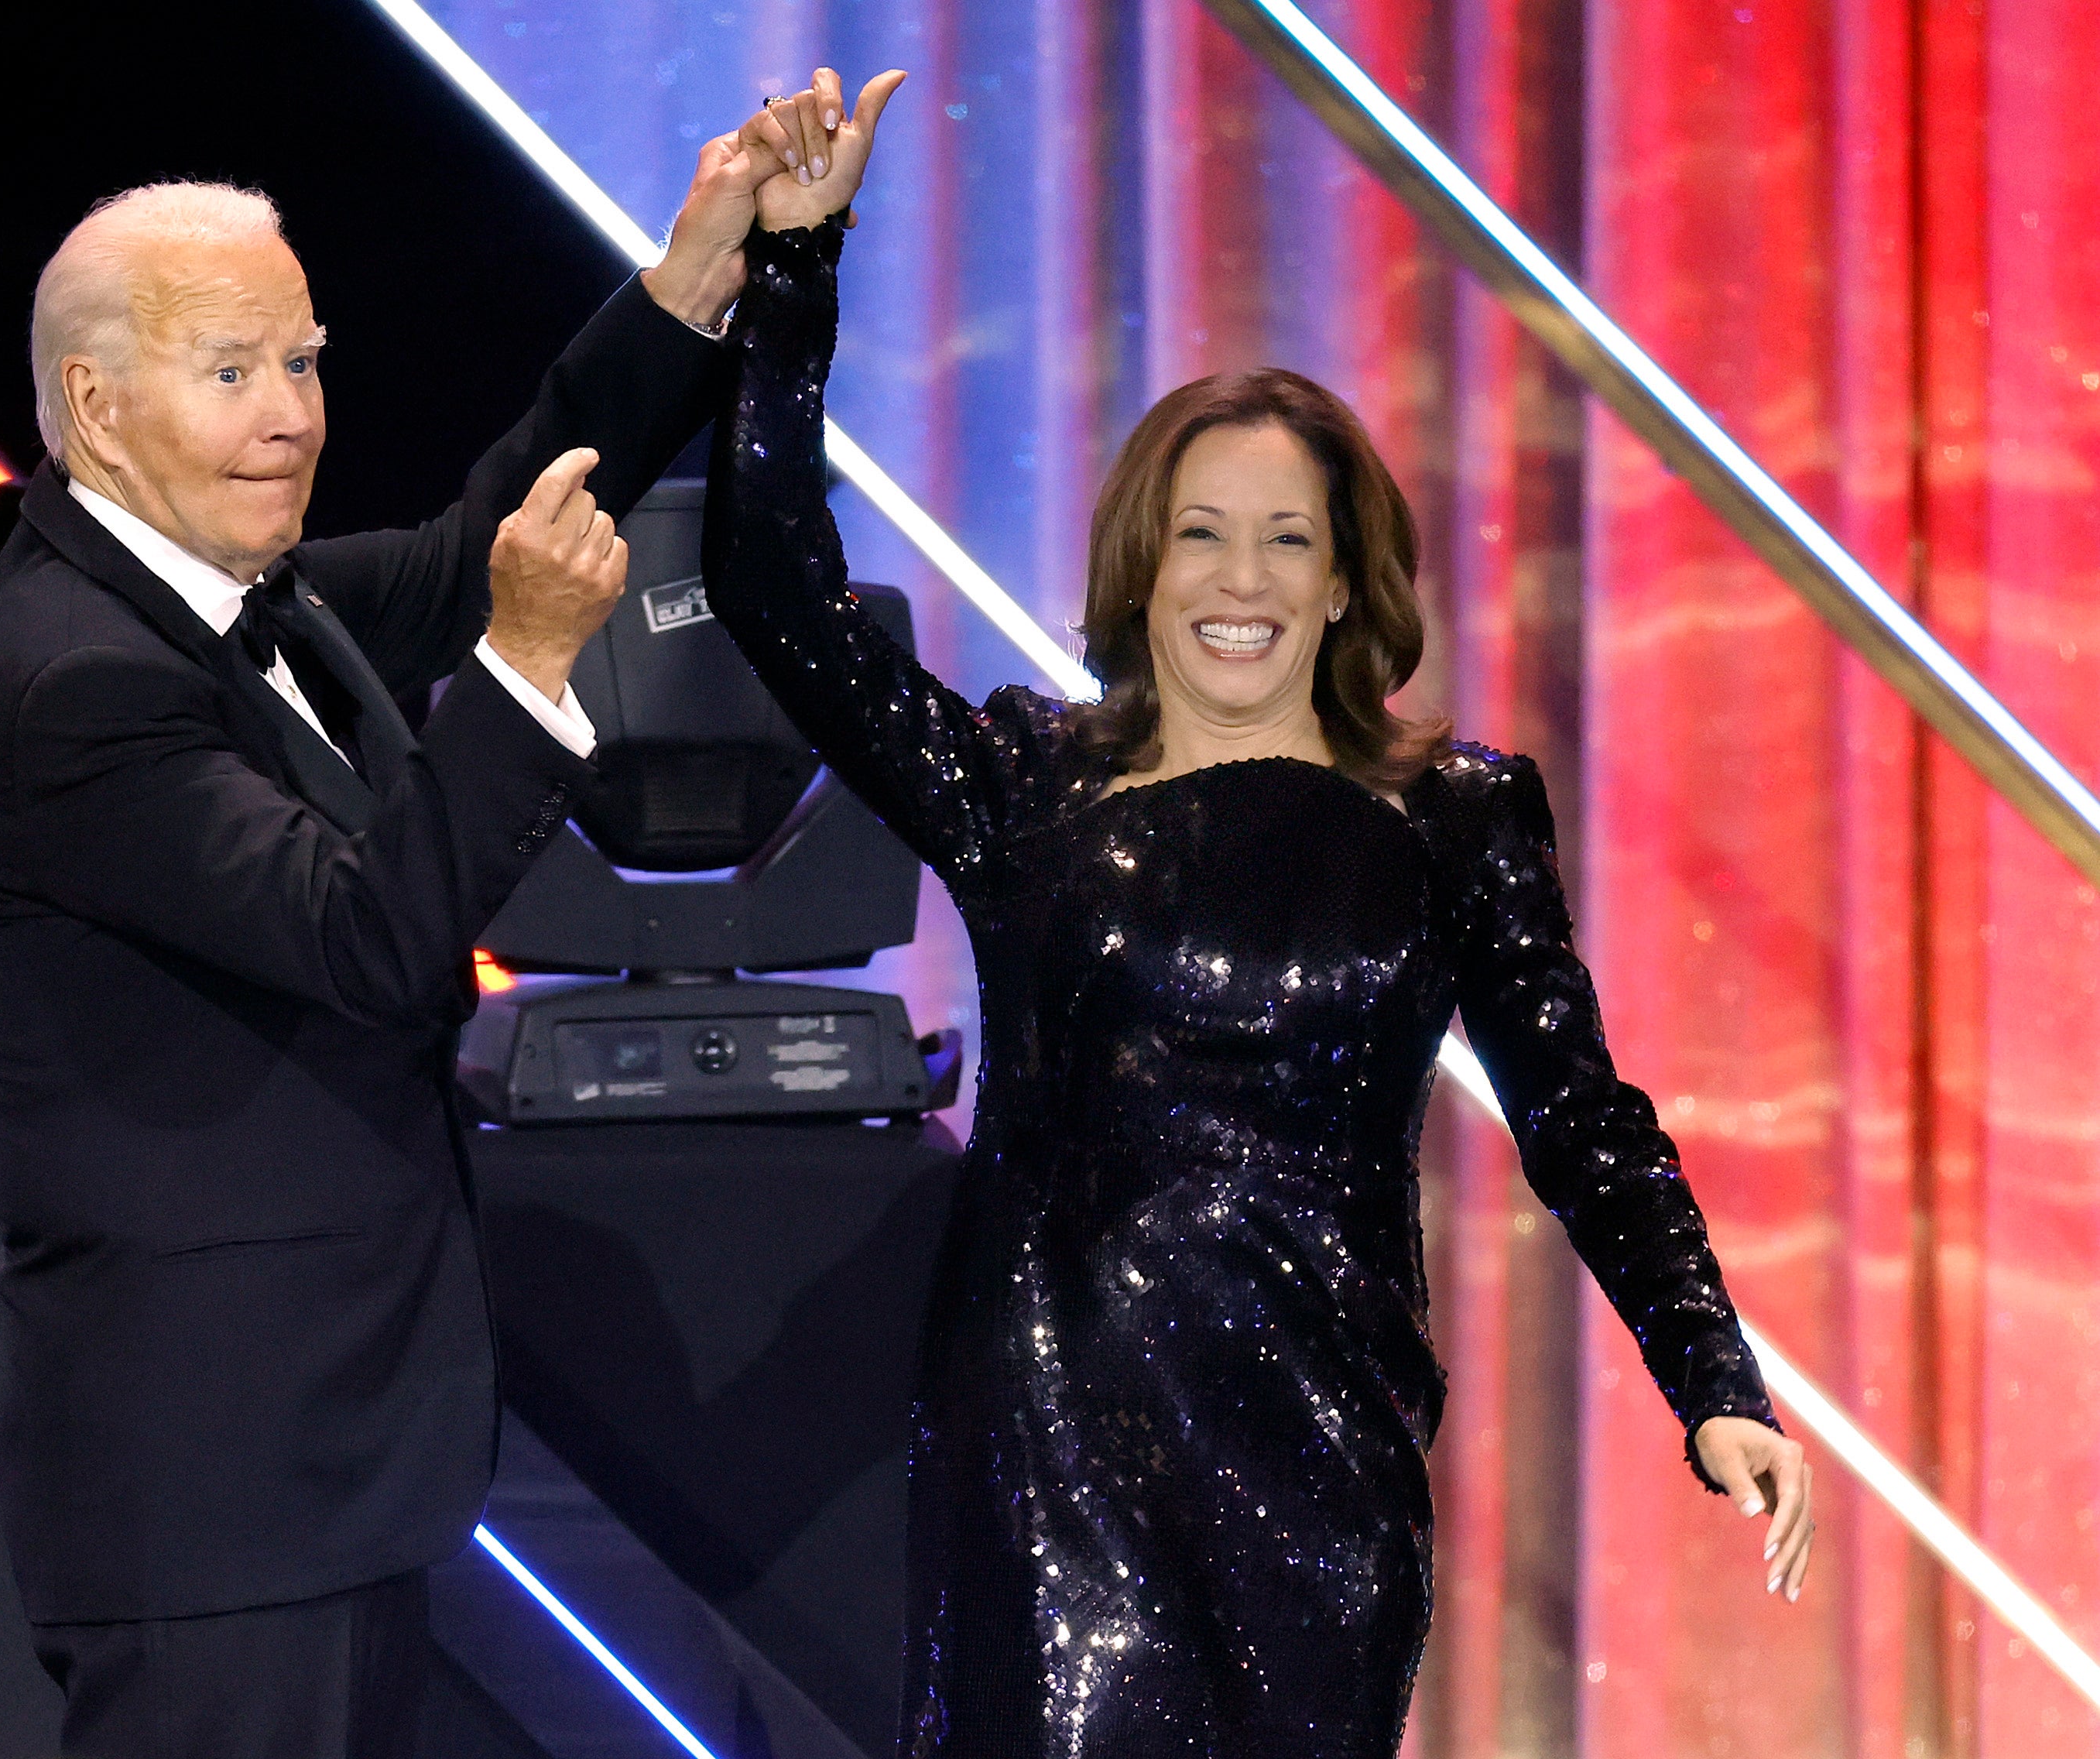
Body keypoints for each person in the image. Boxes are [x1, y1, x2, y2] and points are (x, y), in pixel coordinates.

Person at [700, 71, 1814, 1757]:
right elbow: (770, 587)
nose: (1238, 581)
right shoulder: (1021, 785)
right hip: (1051, 1451)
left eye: (1283, 539)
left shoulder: (1454, 817)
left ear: (1346, 575)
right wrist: (795, 275)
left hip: (1321, 1455)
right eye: (1199, 536)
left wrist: (1708, 1376)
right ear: (1137, 565)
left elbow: (1582, 1118)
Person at [0, 88, 830, 1756]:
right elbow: (369, 938)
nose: (290, 417)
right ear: (94, 405)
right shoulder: (75, 685)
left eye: (305, 361)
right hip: (211, 1502)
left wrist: (700, 268)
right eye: (233, 372)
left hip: (313, 1479)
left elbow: (476, 531)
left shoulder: (218, 593)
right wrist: (528, 665)